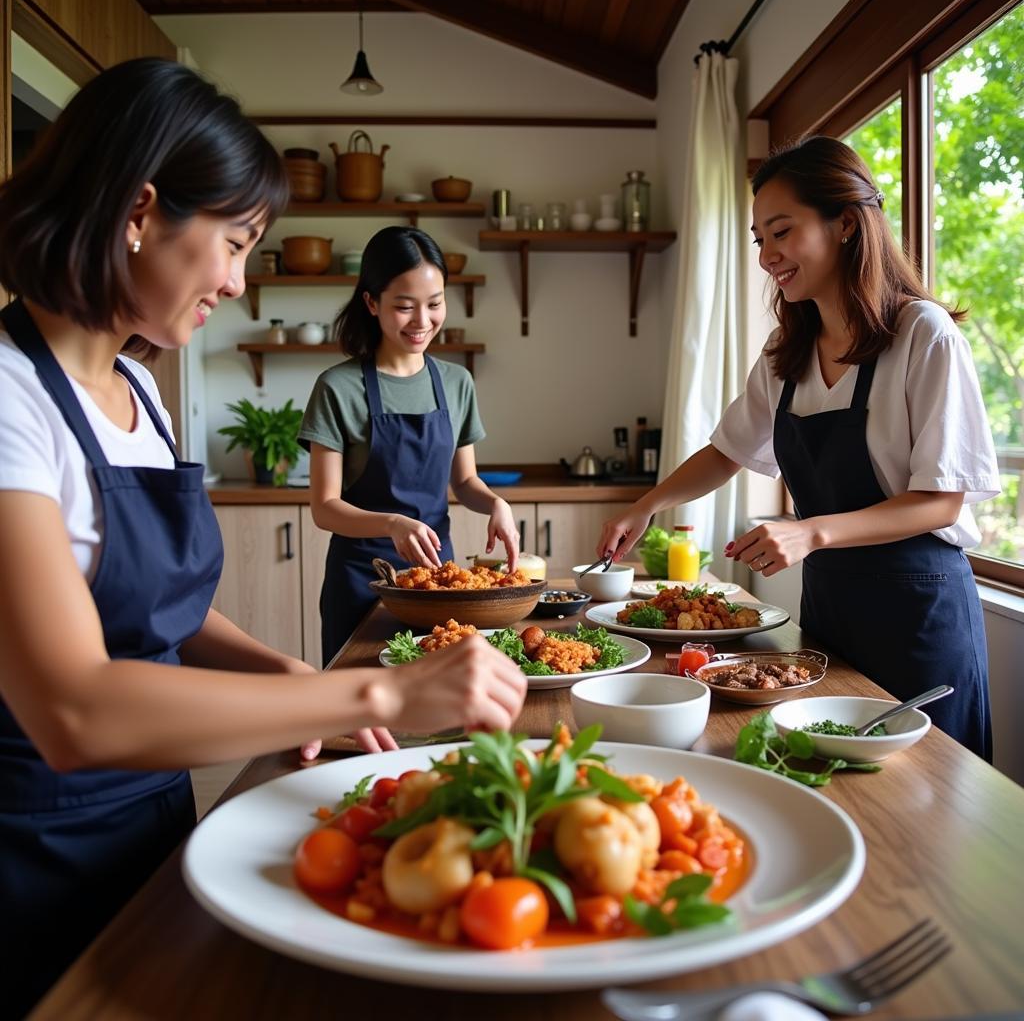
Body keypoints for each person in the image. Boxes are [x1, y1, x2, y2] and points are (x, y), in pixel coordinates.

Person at [0, 59, 526, 1017]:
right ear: (140, 213)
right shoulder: (9, 400)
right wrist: (377, 686)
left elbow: (174, 611)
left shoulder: (139, 396)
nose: (239, 280)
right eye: (235, 243)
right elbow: (73, 711)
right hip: (35, 848)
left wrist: (293, 682)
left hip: (154, 818)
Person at [599, 135, 999, 760]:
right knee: (834, 777)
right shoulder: (787, 353)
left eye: (781, 232)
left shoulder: (924, 334)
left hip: (918, 611)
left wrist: (810, 533)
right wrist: (645, 505)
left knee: (930, 804)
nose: (767, 256)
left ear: (844, 223)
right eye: (760, 239)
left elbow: (941, 503)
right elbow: (726, 451)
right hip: (832, 607)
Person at [300, 226, 520, 665]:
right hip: (361, 582)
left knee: (442, 717)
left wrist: (496, 503)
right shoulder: (337, 388)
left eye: (435, 304)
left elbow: (466, 480)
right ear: (371, 303)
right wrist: (392, 524)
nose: (422, 321)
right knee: (359, 721)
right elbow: (324, 507)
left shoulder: (457, 383)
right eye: (404, 306)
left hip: (439, 586)